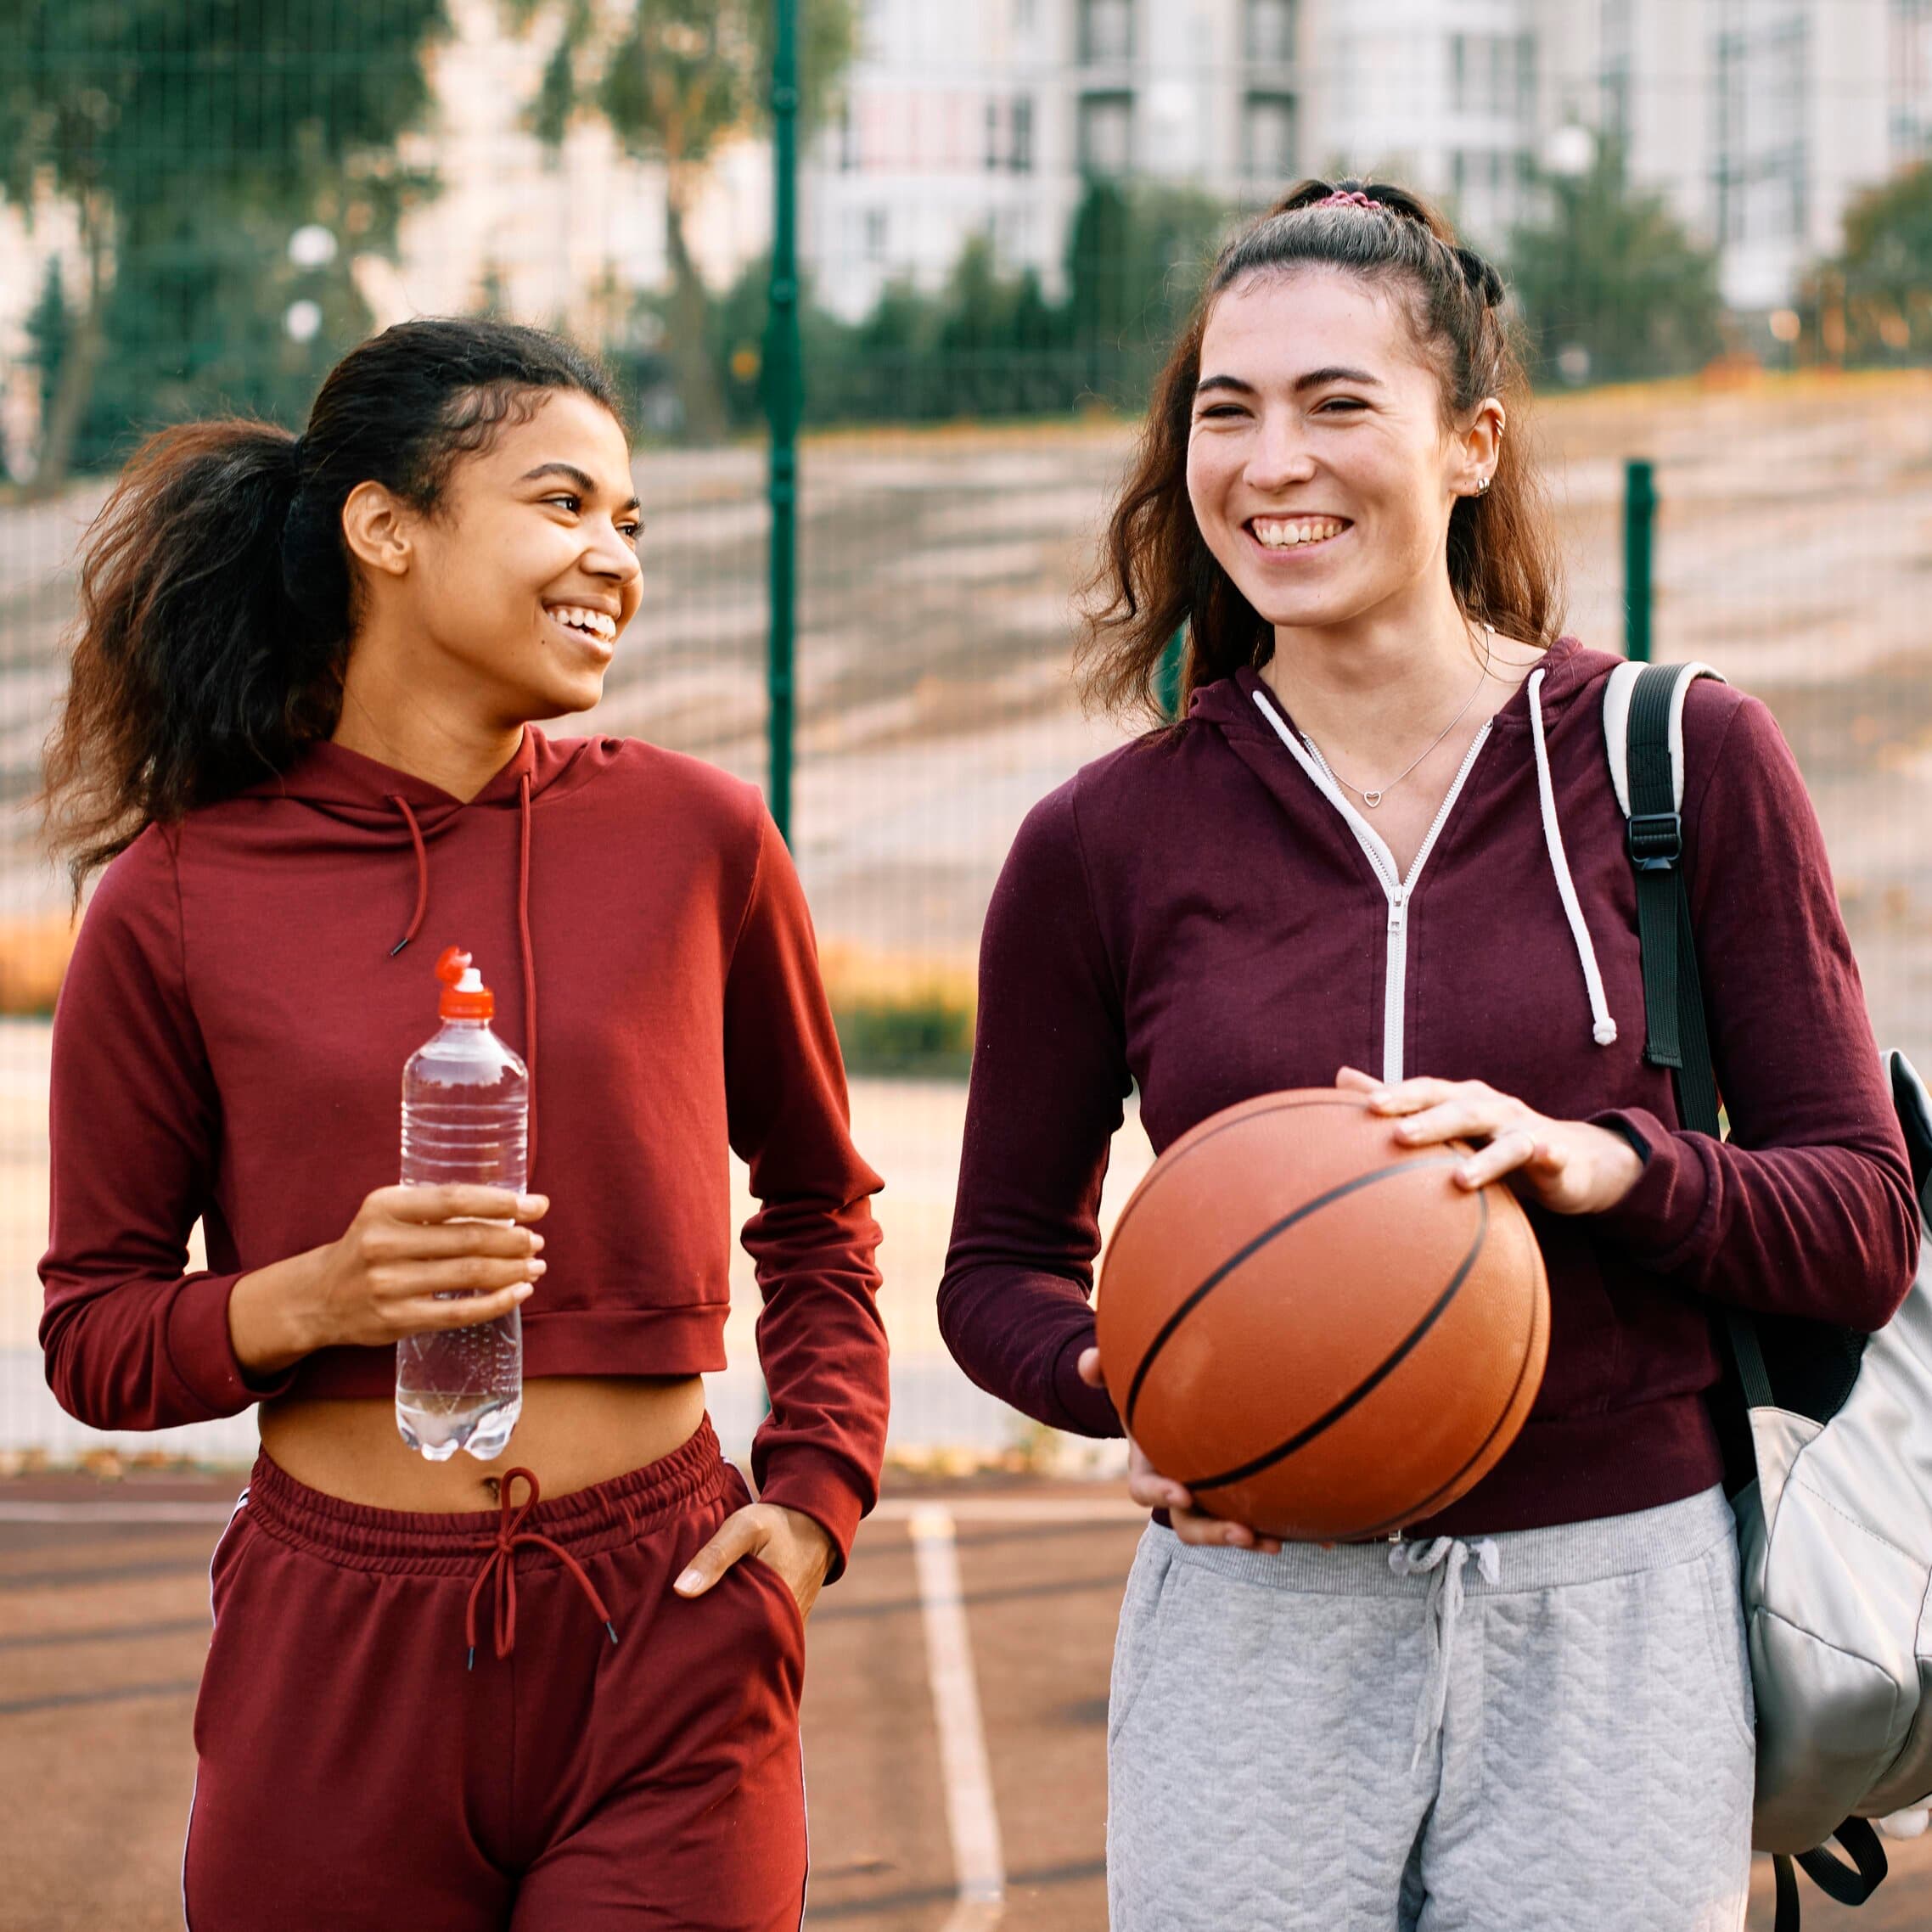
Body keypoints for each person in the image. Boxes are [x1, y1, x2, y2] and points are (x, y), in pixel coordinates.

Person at [938, 181, 1918, 1931]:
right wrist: (1136, 1386)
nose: (1272, 462)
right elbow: (995, 1266)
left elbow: (1862, 1225)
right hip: (1257, 1620)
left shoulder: (1679, 760)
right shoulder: (1105, 840)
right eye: (1226, 412)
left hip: (1616, 1612)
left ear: (1471, 444)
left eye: (1337, 403)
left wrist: (1608, 1162)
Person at [38, 317, 888, 1930]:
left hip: (671, 1621)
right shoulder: (176, 897)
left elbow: (817, 1209)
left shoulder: (703, 838)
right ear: (386, 527)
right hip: (336, 1645)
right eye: (562, 504)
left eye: (629, 521)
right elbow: (93, 1335)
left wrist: (814, 1497)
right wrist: (314, 1298)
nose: (613, 557)